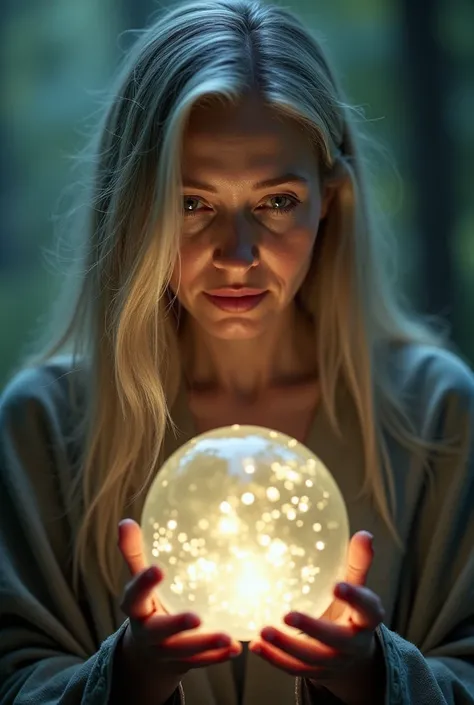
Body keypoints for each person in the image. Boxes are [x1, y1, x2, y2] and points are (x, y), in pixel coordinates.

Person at [1, 0, 474, 703]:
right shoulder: (43, 425)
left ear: (330, 201)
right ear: (135, 206)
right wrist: (128, 674)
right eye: (193, 203)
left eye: (276, 201)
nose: (238, 255)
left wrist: (374, 673)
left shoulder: (436, 414)